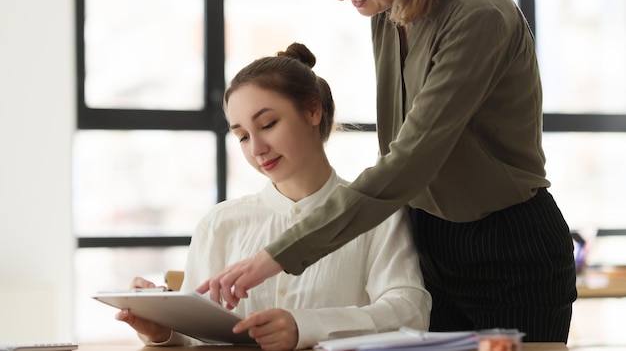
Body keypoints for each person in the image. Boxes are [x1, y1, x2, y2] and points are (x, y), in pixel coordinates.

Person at [197, 0, 578, 343]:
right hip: (430, 240)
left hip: (508, 246)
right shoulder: (385, 6)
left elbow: (410, 159)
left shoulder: (478, 15)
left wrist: (279, 254)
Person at [115, 42, 431, 351]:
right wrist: (162, 330)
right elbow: (195, 337)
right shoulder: (220, 224)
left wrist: (304, 327)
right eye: (241, 136)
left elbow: (409, 312)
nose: (256, 149)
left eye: (268, 124)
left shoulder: (377, 215)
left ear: (312, 110)